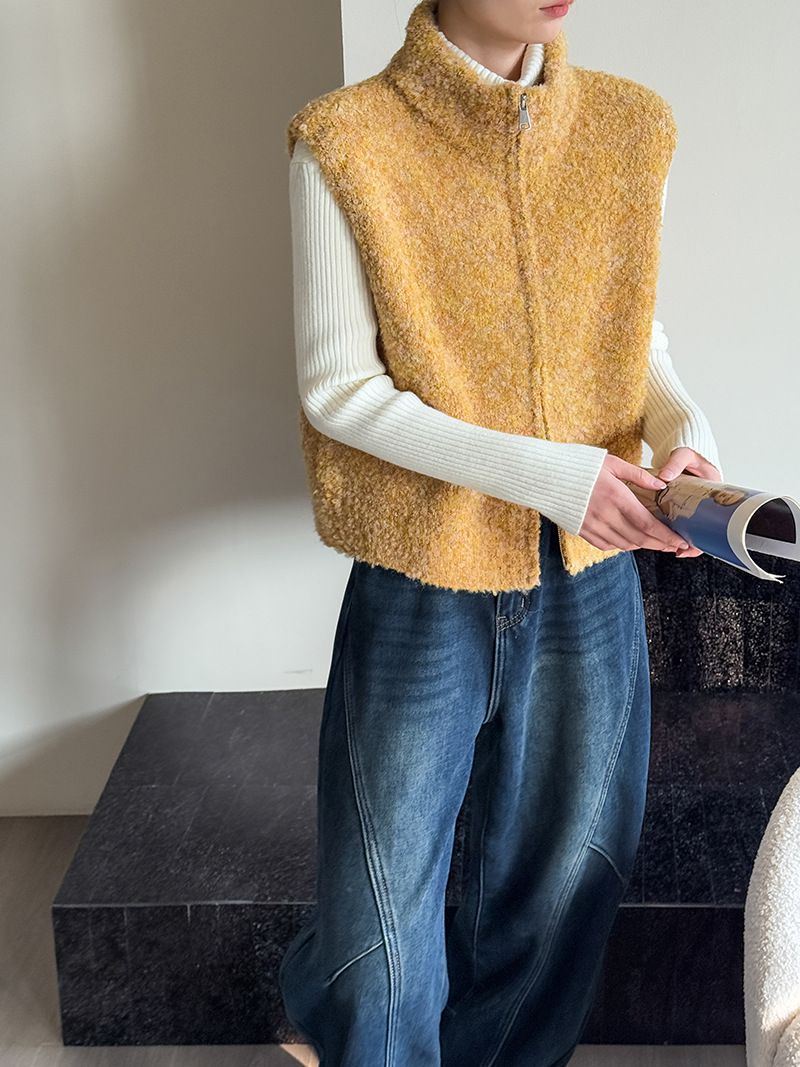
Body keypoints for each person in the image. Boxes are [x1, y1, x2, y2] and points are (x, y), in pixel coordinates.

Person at [279, 1, 723, 1064]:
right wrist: (557, 477)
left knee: (569, 880)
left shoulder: (630, 127)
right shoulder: (344, 140)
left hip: (589, 569)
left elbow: (634, 339)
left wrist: (686, 437)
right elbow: (339, 390)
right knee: (379, 912)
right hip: (421, 571)